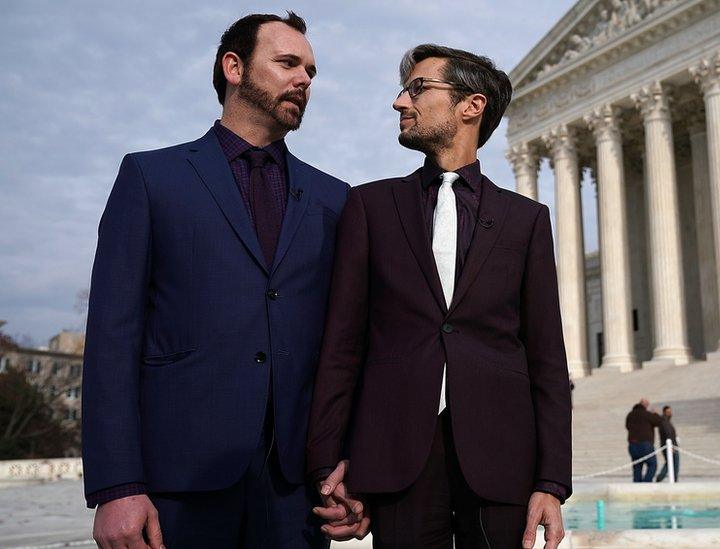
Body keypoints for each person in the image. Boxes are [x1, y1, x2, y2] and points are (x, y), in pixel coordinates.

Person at [81, 12, 348, 548]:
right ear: (233, 67)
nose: (305, 80)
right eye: (288, 63)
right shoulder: (151, 178)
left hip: (296, 494)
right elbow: (113, 338)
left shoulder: (335, 199)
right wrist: (117, 486)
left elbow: (346, 345)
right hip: (176, 487)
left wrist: (348, 464)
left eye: (311, 71)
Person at [306, 44, 572, 549]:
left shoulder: (527, 220)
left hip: (502, 463)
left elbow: (546, 359)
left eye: (417, 89)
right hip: (397, 457)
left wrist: (551, 482)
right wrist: (329, 460)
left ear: (471, 106)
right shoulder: (369, 206)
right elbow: (342, 345)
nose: (400, 103)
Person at [625, 399, 660, 482]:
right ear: (645, 405)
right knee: (652, 464)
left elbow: (627, 426)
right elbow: (658, 422)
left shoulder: (630, 415)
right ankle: (646, 484)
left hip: (632, 444)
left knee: (637, 467)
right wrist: (655, 414)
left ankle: (637, 488)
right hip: (645, 444)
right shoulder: (647, 414)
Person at [655, 405, 681, 482]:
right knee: (673, 463)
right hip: (669, 446)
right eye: (668, 412)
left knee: (670, 463)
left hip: (670, 445)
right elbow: (668, 433)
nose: (670, 413)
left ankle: (661, 477)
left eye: (670, 412)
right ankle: (663, 478)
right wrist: (671, 446)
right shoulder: (664, 421)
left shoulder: (666, 421)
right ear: (664, 412)